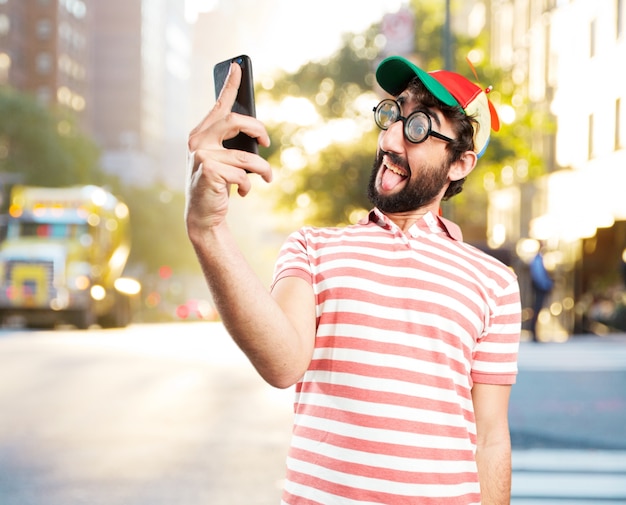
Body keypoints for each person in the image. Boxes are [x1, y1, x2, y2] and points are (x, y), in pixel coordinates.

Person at [186, 55, 521, 505]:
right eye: (392, 114)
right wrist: (209, 230)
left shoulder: (494, 283)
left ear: (460, 164)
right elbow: (283, 363)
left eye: (419, 126)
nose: (390, 137)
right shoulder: (313, 248)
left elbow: (491, 438)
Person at [529, 246, 553, 341]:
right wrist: (547, 285)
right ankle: (534, 333)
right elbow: (539, 276)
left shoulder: (539, 259)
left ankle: (534, 332)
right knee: (536, 310)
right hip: (540, 288)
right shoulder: (538, 260)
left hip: (540, 287)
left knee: (537, 310)